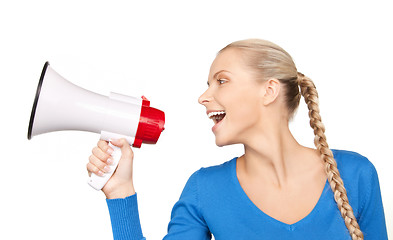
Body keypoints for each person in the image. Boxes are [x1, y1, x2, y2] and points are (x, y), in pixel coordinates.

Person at [86, 39, 388, 240]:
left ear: (268, 91)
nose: (204, 97)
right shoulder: (204, 190)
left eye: (222, 81)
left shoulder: (356, 175)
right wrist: (120, 192)